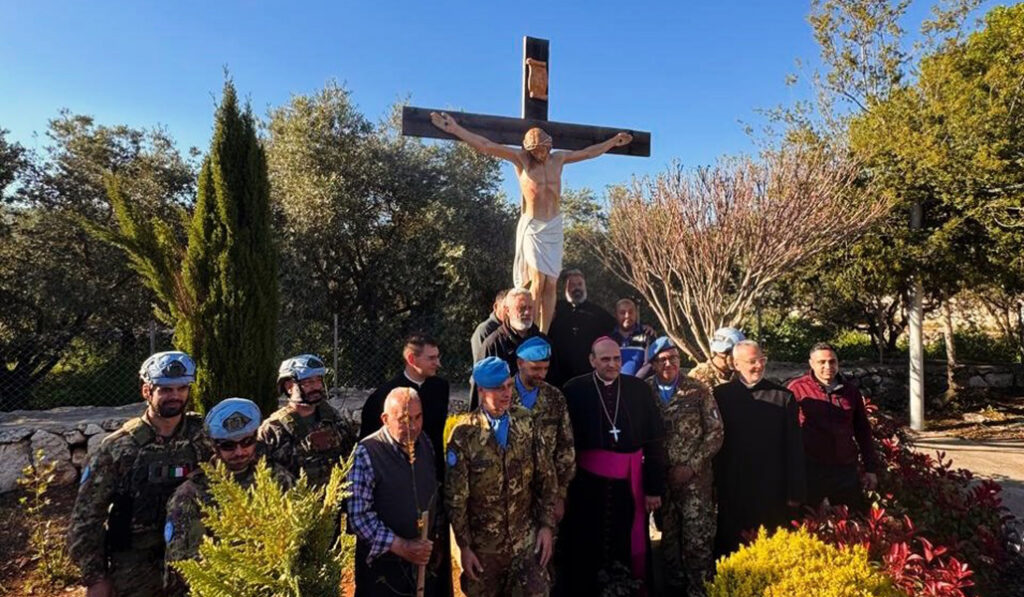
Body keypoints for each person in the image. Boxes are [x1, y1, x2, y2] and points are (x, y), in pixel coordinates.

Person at [430, 111, 633, 333]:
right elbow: (486, 145)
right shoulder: (520, 160)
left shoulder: (559, 158)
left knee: (552, 284)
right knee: (537, 281)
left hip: (554, 226)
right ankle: (532, 332)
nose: (540, 154)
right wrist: (455, 129)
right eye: (535, 150)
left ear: (549, 145)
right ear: (528, 149)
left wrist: (613, 142)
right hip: (534, 227)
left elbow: (587, 153)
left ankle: (544, 333)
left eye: (543, 149)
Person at [69, 351, 210, 597]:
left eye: (181, 388)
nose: (175, 396)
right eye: (165, 389)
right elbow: (87, 516)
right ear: (147, 391)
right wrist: (95, 578)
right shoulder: (118, 448)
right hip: (136, 563)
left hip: (194, 555)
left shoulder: (204, 437)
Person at [557, 337, 666, 595]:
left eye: (617, 358)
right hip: (586, 486)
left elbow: (653, 442)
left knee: (627, 541)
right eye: (605, 359)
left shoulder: (638, 389)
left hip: (629, 486)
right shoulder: (574, 389)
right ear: (592, 360)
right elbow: (563, 443)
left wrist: (653, 488)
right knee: (587, 542)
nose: (612, 364)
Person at [446, 357, 557, 597]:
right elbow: (456, 499)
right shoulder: (464, 434)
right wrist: (464, 547)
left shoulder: (526, 421)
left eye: (508, 386)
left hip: (524, 543)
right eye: (498, 388)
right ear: (482, 390)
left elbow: (546, 478)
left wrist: (546, 526)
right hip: (484, 549)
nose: (507, 393)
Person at [164, 398, 294, 590]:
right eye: (228, 446)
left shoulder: (277, 478)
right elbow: (186, 565)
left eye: (247, 442)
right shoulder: (191, 494)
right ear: (213, 445)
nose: (240, 452)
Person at [713, 340, 805, 558]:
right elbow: (714, 443)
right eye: (752, 361)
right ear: (736, 364)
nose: (758, 366)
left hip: (771, 490)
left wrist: (795, 492)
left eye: (761, 360)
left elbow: (794, 448)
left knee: (770, 549)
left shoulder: (783, 397)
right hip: (733, 487)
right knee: (732, 550)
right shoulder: (720, 395)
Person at [646, 337, 723, 597]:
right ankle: (674, 589)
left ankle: (700, 590)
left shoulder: (698, 390)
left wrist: (691, 466)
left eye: (674, 358)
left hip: (694, 482)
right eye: (662, 359)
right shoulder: (644, 392)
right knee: (668, 540)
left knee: (697, 540)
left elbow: (715, 432)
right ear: (653, 364)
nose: (669, 364)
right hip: (661, 480)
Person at [349, 388, 443, 597]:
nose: (414, 426)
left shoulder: (425, 443)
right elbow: (359, 517)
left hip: (421, 567)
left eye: (418, 418)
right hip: (383, 571)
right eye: (404, 419)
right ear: (385, 418)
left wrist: (433, 541)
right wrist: (402, 546)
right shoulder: (367, 452)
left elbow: (432, 491)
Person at [787, 343, 880, 513]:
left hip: (844, 470)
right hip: (811, 470)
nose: (827, 367)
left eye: (832, 362)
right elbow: (785, 432)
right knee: (808, 523)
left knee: (851, 523)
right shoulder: (797, 389)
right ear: (811, 363)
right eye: (821, 362)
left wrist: (870, 469)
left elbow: (863, 431)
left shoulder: (850, 392)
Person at [360, 334, 449, 478]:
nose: (438, 363)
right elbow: (370, 444)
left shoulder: (441, 388)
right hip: (395, 473)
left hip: (431, 470)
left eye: (437, 357)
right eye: (431, 358)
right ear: (412, 359)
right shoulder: (383, 397)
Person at [259, 354, 354, 487]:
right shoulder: (273, 429)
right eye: (308, 383)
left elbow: (352, 456)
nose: (316, 387)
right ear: (289, 387)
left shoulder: (334, 418)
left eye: (318, 381)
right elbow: (261, 472)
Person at [512, 336, 576, 524]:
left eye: (545, 369)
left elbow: (566, 447)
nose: (542, 374)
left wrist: (560, 495)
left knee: (546, 547)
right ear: (520, 363)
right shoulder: (502, 395)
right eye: (535, 369)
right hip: (510, 493)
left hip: (547, 493)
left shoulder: (555, 397)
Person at [473, 288, 551, 409]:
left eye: (530, 308)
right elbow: (480, 388)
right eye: (521, 308)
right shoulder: (493, 345)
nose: (527, 312)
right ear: (507, 311)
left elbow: (554, 381)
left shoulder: (544, 343)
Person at [546, 270, 617, 387]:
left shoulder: (598, 313)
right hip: (558, 378)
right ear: (565, 288)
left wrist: (643, 328)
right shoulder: (554, 310)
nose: (576, 288)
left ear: (585, 286)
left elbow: (621, 329)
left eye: (579, 284)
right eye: (572, 285)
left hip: (589, 378)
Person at [609, 298, 655, 377]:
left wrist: (633, 384)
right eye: (622, 313)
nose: (627, 316)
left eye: (631, 312)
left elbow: (649, 365)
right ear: (616, 315)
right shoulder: (609, 339)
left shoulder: (646, 335)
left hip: (640, 385)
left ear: (636, 313)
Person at [471, 289, 508, 362]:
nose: (508, 311)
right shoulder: (484, 330)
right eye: (505, 307)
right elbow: (480, 363)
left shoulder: (515, 329)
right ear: (496, 306)